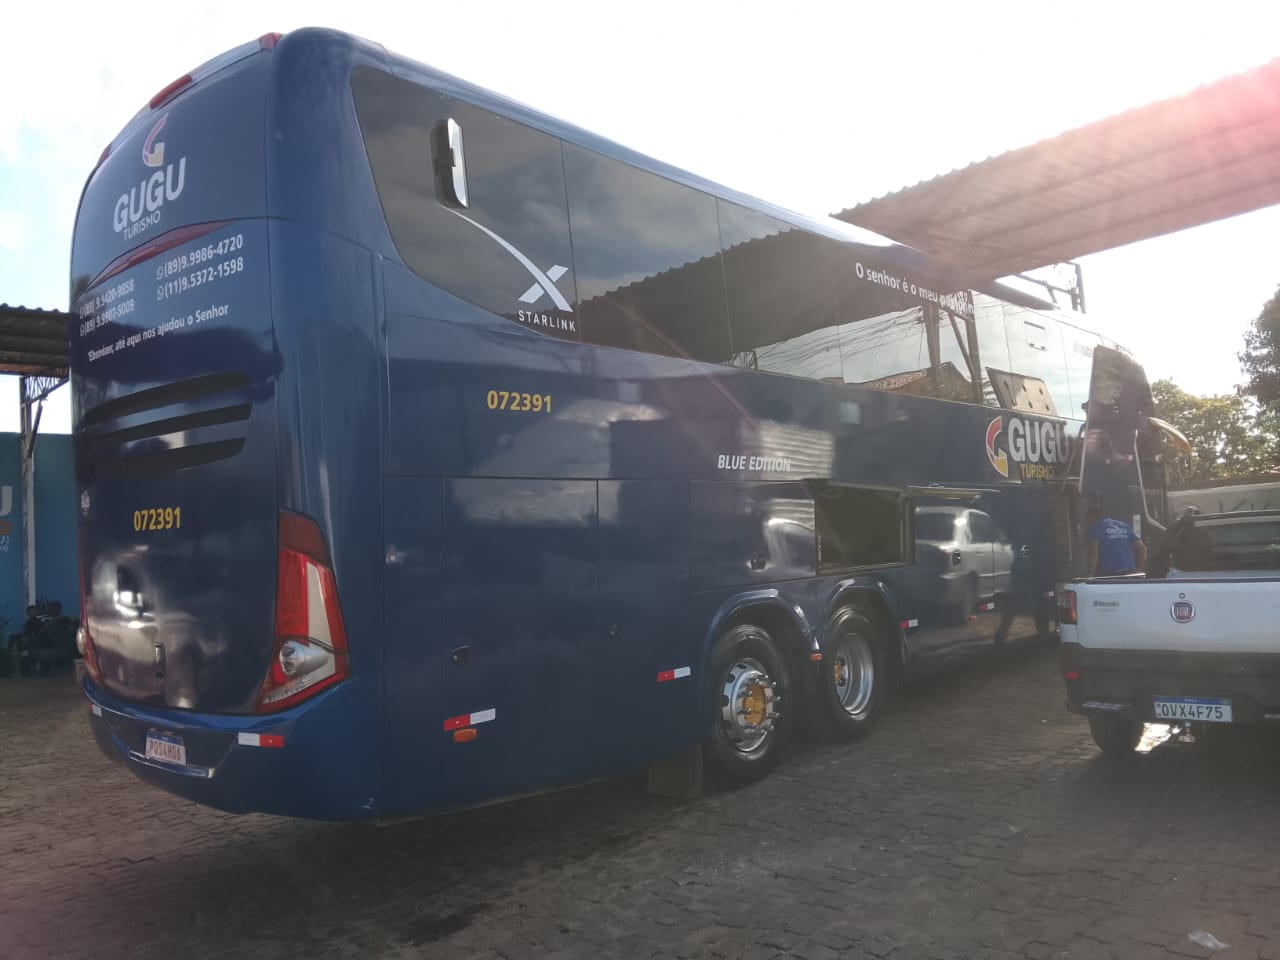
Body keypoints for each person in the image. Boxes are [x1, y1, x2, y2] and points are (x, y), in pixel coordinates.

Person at [1086, 501, 1147, 576]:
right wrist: (1139, 570)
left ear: (1093, 516)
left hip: (1110, 575)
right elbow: (1142, 549)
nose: (1087, 521)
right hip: (1130, 573)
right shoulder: (1124, 526)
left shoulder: (1097, 528)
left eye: (1087, 518)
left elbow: (1093, 553)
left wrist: (1090, 574)